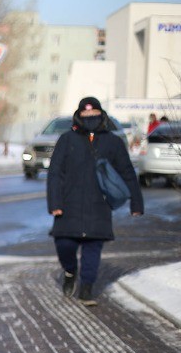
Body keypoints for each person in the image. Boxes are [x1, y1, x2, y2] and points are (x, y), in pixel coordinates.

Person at [46, 96, 143, 306]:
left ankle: (87, 289)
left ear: (101, 115)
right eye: (86, 114)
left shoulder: (113, 142)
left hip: (99, 206)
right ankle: (70, 272)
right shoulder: (66, 140)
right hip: (68, 205)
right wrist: (55, 203)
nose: (90, 118)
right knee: (64, 245)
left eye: (94, 114)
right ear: (79, 115)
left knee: (92, 249)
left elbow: (127, 172)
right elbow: (55, 173)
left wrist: (136, 202)